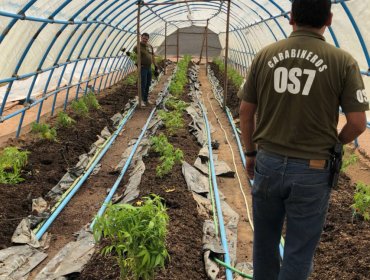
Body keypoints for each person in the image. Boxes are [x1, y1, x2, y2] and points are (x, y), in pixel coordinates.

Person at [238, 0, 368, 279]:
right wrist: (334, 144)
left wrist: (250, 153)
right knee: (299, 251)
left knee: (264, 244)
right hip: (313, 169)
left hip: (268, 164)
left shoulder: (265, 55)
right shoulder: (343, 61)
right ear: (330, 19)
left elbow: (246, 112)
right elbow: (357, 124)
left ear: (290, 18)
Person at [133, 32, 158, 107]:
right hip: (143, 68)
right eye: (144, 38)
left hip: (149, 68)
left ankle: (145, 99)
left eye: (146, 39)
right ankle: (141, 101)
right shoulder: (137, 47)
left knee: (148, 84)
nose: (145, 40)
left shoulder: (149, 46)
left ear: (148, 39)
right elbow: (133, 57)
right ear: (141, 37)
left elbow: (152, 56)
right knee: (142, 84)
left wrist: (155, 66)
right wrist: (137, 64)